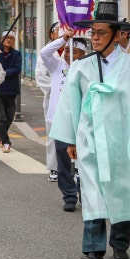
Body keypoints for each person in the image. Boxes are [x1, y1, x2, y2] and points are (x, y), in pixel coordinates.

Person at [50, 2, 130, 259]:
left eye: (101, 33)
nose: (94, 38)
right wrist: (71, 139)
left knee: (123, 191)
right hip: (91, 141)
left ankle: (120, 243)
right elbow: (70, 105)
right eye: (92, 33)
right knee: (92, 194)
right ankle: (94, 252)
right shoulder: (81, 68)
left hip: (124, 141)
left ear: (117, 35)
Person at [39, 28, 87, 212]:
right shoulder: (57, 66)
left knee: (83, 160)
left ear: (83, 54)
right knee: (63, 159)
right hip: (59, 120)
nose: (68, 54)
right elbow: (45, 52)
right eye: (67, 51)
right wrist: (64, 39)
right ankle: (69, 195)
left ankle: (85, 193)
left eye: (74, 51)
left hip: (81, 120)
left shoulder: (87, 69)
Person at [36, 22, 62, 181]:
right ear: (51, 34)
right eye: (57, 30)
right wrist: (58, 86)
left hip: (71, 98)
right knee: (53, 132)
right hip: (53, 98)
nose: (60, 32)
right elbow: (40, 77)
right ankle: (54, 167)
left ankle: (74, 166)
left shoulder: (72, 51)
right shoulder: (46, 53)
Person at [0, 31, 22, 153]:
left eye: (11, 38)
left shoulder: (17, 54)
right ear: (2, 39)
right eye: (7, 38)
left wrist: (3, 73)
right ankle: (6, 142)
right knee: (1, 118)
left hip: (11, 90)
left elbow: (17, 69)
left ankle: (1, 133)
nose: (9, 40)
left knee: (9, 117)